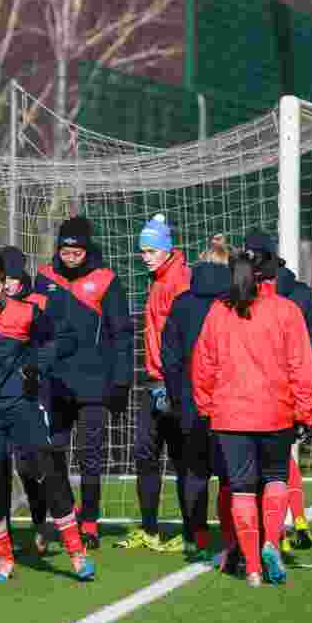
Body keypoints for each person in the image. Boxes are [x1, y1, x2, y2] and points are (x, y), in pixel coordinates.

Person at [0, 251, 94, 583]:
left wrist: (36, 365)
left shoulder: (28, 312)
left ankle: (75, 553)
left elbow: (61, 340)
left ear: (5, 287)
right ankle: (4, 559)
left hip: (21, 406)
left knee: (48, 470)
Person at [191, 249, 312, 587]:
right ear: (270, 276)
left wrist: (206, 406)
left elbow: (202, 364)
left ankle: (251, 569)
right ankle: (271, 544)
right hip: (276, 413)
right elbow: (301, 367)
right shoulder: (287, 311)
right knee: (276, 479)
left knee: (241, 488)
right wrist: (306, 411)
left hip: (229, 416)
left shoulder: (218, 311)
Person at [34, 216, 134, 549]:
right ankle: (65, 515)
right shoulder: (45, 278)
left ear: (87, 248)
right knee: (52, 453)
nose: (71, 253)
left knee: (90, 456)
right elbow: (31, 325)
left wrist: (121, 381)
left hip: (94, 385)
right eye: (65, 247)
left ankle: (90, 522)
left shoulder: (106, 281)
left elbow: (122, 334)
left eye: (77, 247)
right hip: (54, 384)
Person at [242, 232, 312, 553]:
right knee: (280, 459)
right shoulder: (286, 292)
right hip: (280, 388)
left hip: (277, 389)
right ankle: (296, 521)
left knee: (267, 463)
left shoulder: (292, 296)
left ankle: (273, 532)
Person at [117, 213, 191, 552]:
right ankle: (149, 528)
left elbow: (185, 336)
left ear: (166, 249)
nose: (144, 256)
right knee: (145, 454)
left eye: (150, 250)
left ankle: (193, 533)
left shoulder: (179, 280)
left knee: (182, 457)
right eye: (142, 250)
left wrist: (174, 382)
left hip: (173, 383)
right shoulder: (158, 279)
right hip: (153, 380)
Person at [160, 235, 234, 562]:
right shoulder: (237, 302)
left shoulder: (182, 303)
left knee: (193, 470)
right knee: (233, 473)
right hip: (232, 403)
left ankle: (195, 535)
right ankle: (234, 535)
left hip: (190, 402)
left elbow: (170, 357)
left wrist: (178, 397)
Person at [0, 245, 71, 556]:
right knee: (1, 464)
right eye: (2, 279)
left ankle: (47, 522)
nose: (6, 285)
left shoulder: (41, 303)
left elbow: (61, 341)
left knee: (37, 462)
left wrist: (37, 366)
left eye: (10, 278)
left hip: (35, 394)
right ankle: (5, 536)